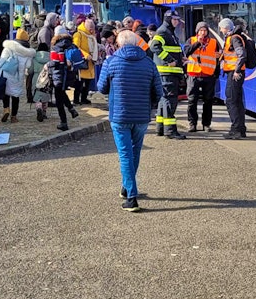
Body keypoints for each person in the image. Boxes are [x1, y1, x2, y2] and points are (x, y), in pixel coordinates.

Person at [97, 30, 164, 212]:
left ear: (118, 43)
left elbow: (101, 88)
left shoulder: (111, 61)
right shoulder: (149, 63)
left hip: (120, 115)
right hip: (141, 115)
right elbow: (159, 92)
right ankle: (127, 187)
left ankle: (131, 196)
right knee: (135, 152)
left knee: (125, 154)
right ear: (136, 43)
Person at [150, 11, 187, 140]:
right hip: (167, 72)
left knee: (164, 100)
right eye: (175, 19)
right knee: (170, 101)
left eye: (178, 19)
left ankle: (160, 128)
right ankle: (170, 130)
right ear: (168, 19)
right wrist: (170, 60)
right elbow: (154, 46)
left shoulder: (169, 32)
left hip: (169, 72)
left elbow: (173, 49)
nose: (177, 22)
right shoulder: (163, 31)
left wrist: (181, 58)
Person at [183, 21, 219, 132]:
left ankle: (206, 124)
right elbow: (186, 52)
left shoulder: (213, 42)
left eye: (205, 30)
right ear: (197, 32)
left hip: (208, 75)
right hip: (193, 74)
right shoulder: (191, 40)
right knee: (192, 100)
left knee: (208, 101)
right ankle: (192, 124)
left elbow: (217, 58)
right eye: (201, 30)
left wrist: (216, 74)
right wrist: (197, 43)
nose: (203, 33)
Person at [0, 31, 35, 122]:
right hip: (18, 77)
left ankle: (6, 109)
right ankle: (14, 116)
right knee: (15, 96)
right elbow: (28, 66)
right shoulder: (28, 53)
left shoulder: (8, 48)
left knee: (5, 93)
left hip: (6, 74)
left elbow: (1, 62)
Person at [219, 17, 247, 139]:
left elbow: (242, 54)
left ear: (226, 28)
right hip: (236, 72)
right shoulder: (233, 37)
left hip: (235, 73)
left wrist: (236, 70)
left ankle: (236, 130)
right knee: (237, 101)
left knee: (230, 100)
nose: (220, 30)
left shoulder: (234, 38)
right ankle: (241, 129)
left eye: (221, 28)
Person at [49, 26, 79, 131]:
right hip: (69, 75)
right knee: (62, 93)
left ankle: (63, 122)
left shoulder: (56, 46)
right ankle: (71, 109)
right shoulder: (71, 44)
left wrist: (47, 65)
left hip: (58, 75)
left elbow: (55, 63)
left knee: (58, 100)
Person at [72, 19, 97, 105]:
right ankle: (76, 99)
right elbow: (76, 48)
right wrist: (86, 55)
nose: (92, 30)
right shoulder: (78, 34)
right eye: (91, 28)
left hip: (90, 63)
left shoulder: (91, 36)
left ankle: (84, 98)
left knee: (87, 83)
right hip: (82, 62)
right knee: (79, 82)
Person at [29, 41, 52, 122]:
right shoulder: (50, 57)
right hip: (46, 78)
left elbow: (30, 70)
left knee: (37, 95)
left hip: (36, 77)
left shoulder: (34, 57)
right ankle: (44, 112)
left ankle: (39, 108)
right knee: (46, 95)